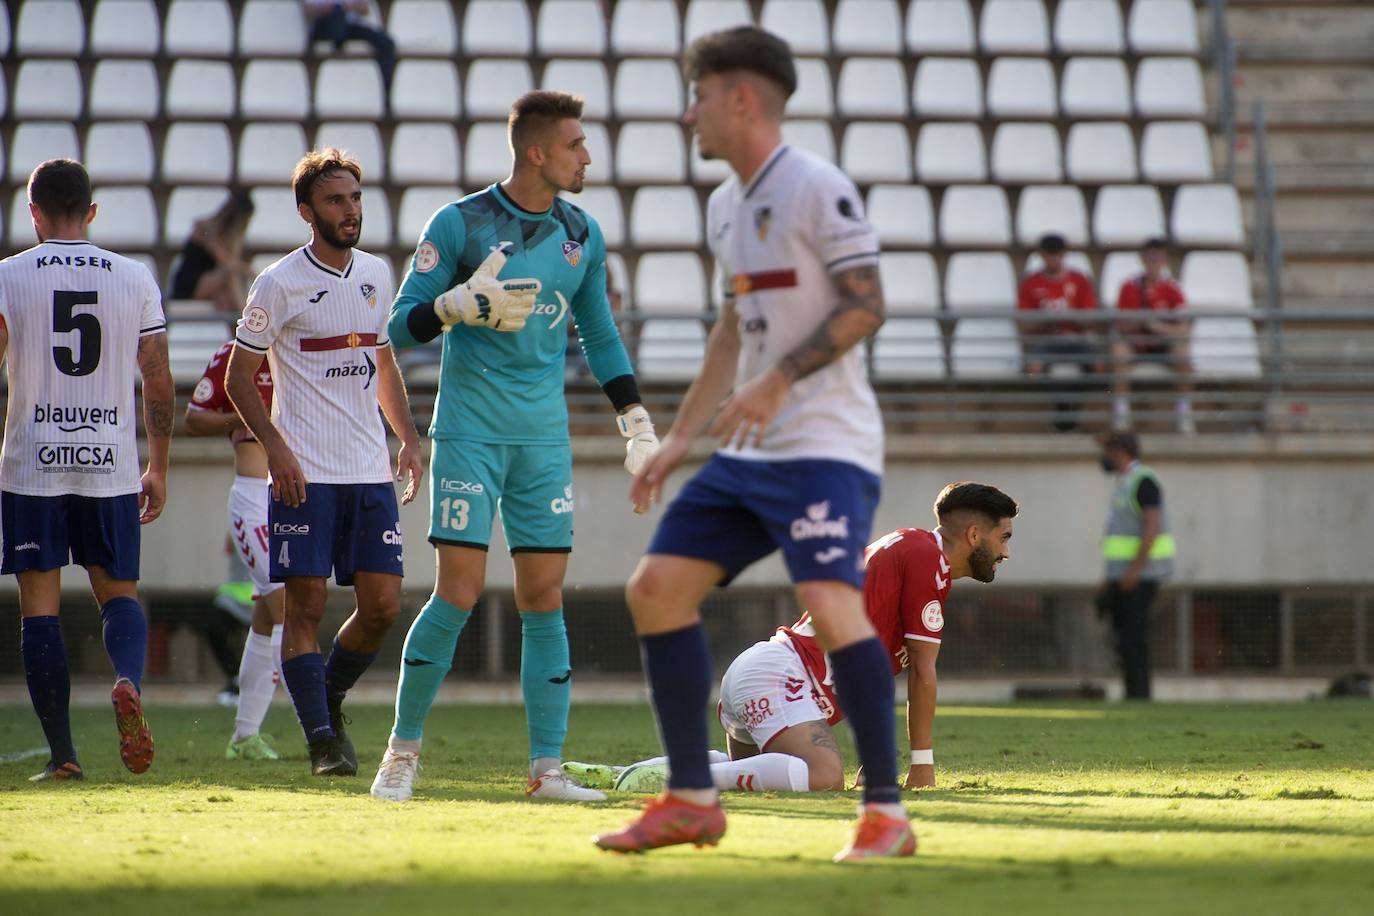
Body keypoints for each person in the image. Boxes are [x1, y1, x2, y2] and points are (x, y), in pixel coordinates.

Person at [593, 27, 910, 863]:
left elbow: (868, 303)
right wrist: (676, 442)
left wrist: (780, 383)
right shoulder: (723, 206)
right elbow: (730, 338)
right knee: (656, 588)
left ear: (740, 98)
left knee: (834, 606)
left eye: (698, 94)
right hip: (749, 452)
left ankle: (886, 815)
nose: (687, 111)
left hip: (824, 447)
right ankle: (693, 800)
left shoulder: (814, 186)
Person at [372, 90, 656, 804]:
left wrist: (635, 420)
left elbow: (600, 335)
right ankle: (400, 755)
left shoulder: (581, 234)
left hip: (542, 442)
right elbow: (396, 329)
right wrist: (454, 305)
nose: (586, 155)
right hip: (469, 433)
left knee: (544, 596)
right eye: (575, 144)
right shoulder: (461, 222)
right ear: (537, 151)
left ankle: (546, 771)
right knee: (459, 591)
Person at [568, 483, 1017, 797]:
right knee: (822, 777)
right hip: (781, 677)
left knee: (755, 777)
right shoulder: (926, 560)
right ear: (974, 534)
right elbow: (922, 671)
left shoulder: (912, 550)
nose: (1006, 552)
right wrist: (921, 765)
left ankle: (622, 775)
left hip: (768, 674)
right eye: (1003, 537)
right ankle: (684, 778)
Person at [225, 149, 424, 777]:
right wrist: (278, 451)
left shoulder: (375, 273)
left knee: (384, 605)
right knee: (304, 610)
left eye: (356, 199)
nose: (351, 210)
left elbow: (383, 361)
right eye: (337, 201)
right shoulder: (277, 283)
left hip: (368, 472)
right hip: (305, 476)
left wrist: (409, 438)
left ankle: (327, 695)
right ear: (307, 211)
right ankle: (321, 741)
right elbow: (238, 377)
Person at [0, 159, 173, 781]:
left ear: (35, 214)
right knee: (118, 595)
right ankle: (127, 679)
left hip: (32, 466)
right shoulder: (134, 277)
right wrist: (158, 465)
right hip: (109, 463)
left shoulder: (8, 277)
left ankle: (64, 756)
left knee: (39, 611)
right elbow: (156, 377)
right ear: (93, 212)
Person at [186, 338, 287, 760]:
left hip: (295, 496)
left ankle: (244, 736)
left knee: (267, 616)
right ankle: (321, 726)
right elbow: (194, 419)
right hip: (252, 500)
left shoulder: (302, 348)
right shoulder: (233, 355)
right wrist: (245, 416)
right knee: (290, 609)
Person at [1097, 432, 1175, 701]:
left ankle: (1140, 696)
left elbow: (1152, 527)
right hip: (1125, 576)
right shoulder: (1126, 482)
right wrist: (1110, 577)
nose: (1103, 458)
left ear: (1119, 451)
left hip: (1140, 577)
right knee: (1124, 639)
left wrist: (1134, 570)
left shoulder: (1143, 481)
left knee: (1134, 638)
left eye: (1106, 451)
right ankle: (1133, 694)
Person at [1016, 233, 1100, 431]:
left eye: (1057, 254)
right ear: (1041, 255)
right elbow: (1023, 325)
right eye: (1049, 255)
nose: (1053, 259)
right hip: (1045, 341)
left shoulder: (1079, 280)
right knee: (1033, 369)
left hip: (1075, 339)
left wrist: (1069, 316)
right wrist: (1045, 321)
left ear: (1064, 255)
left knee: (1099, 365)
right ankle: (1062, 408)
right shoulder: (1031, 282)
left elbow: (1091, 321)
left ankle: (1072, 407)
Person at [1111, 238, 1193, 434]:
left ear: (1164, 261)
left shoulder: (1172, 289)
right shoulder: (1128, 287)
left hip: (1162, 345)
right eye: (1149, 258)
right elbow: (1122, 325)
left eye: (1158, 258)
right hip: (1137, 343)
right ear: (1142, 259)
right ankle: (1121, 414)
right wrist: (1141, 323)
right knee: (1118, 352)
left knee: (1183, 353)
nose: (1153, 263)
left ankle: (1183, 413)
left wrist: (1154, 325)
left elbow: (1183, 329)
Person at [168, 189, 255, 315]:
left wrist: (235, 238)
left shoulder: (228, 237)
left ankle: (240, 329)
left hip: (209, 284)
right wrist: (251, 272)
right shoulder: (205, 229)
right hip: (189, 283)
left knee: (224, 299)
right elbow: (226, 261)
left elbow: (230, 260)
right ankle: (247, 316)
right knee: (228, 275)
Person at [303, 1, 396, 98]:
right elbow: (308, 10)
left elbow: (365, 9)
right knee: (337, 14)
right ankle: (337, 62)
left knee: (386, 44)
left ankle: (385, 89)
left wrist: (348, 7)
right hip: (324, 25)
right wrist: (331, 8)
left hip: (349, 25)